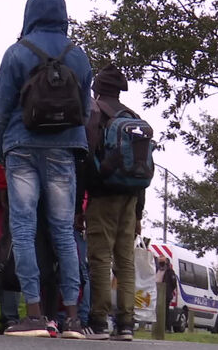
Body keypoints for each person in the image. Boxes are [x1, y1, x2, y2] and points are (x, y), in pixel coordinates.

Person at [0, 0, 92, 339]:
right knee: (65, 233)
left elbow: (2, 107)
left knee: (23, 229)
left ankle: (33, 314)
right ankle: (72, 319)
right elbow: (87, 109)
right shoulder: (78, 56)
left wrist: (0, 149)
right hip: (64, 150)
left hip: (21, 146)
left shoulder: (16, 52)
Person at [76, 64, 145, 341]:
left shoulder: (93, 113)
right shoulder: (134, 118)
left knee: (100, 258)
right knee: (125, 260)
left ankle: (98, 321)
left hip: (102, 196)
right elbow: (141, 167)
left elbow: (84, 158)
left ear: (97, 88)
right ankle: (126, 324)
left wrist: (79, 204)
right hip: (130, 198)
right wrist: (139, 212)